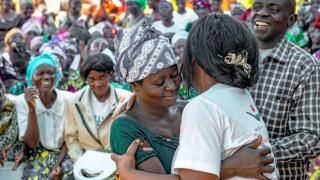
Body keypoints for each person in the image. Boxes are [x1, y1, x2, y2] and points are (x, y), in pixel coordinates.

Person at [110, 25, 275, 179]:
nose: (172, 86)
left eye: (174, 75)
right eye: (159, 83)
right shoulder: (125, 127)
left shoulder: (191, 108)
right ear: (134, 86)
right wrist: (230, 167)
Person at [250, 0, 320, 178]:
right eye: (257, 7)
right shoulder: (235, 55)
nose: (262, 13)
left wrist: (258, 153)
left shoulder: (305, 66)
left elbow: (311, 138)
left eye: (273, 9)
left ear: (291, 20)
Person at [64, 53, 131, 163]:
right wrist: (80, 162)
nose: (97, 84)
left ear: (111, 75)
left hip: (116, 160)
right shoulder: (74, 101)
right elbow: (71, 138)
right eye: (91, 79)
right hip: (87, 161)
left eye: (102, 77)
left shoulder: (124, 99)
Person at [15, 53, 73, 179]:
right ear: (31, 78)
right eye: (40, 74)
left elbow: (71, 138)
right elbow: (32, 143)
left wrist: (57, 164)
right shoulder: (21, 101)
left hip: (66, 152)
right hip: (38, 153)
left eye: (50, 72)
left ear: (56, 76)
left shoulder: (69, 99)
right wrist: (31, 108)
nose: (46, 77)